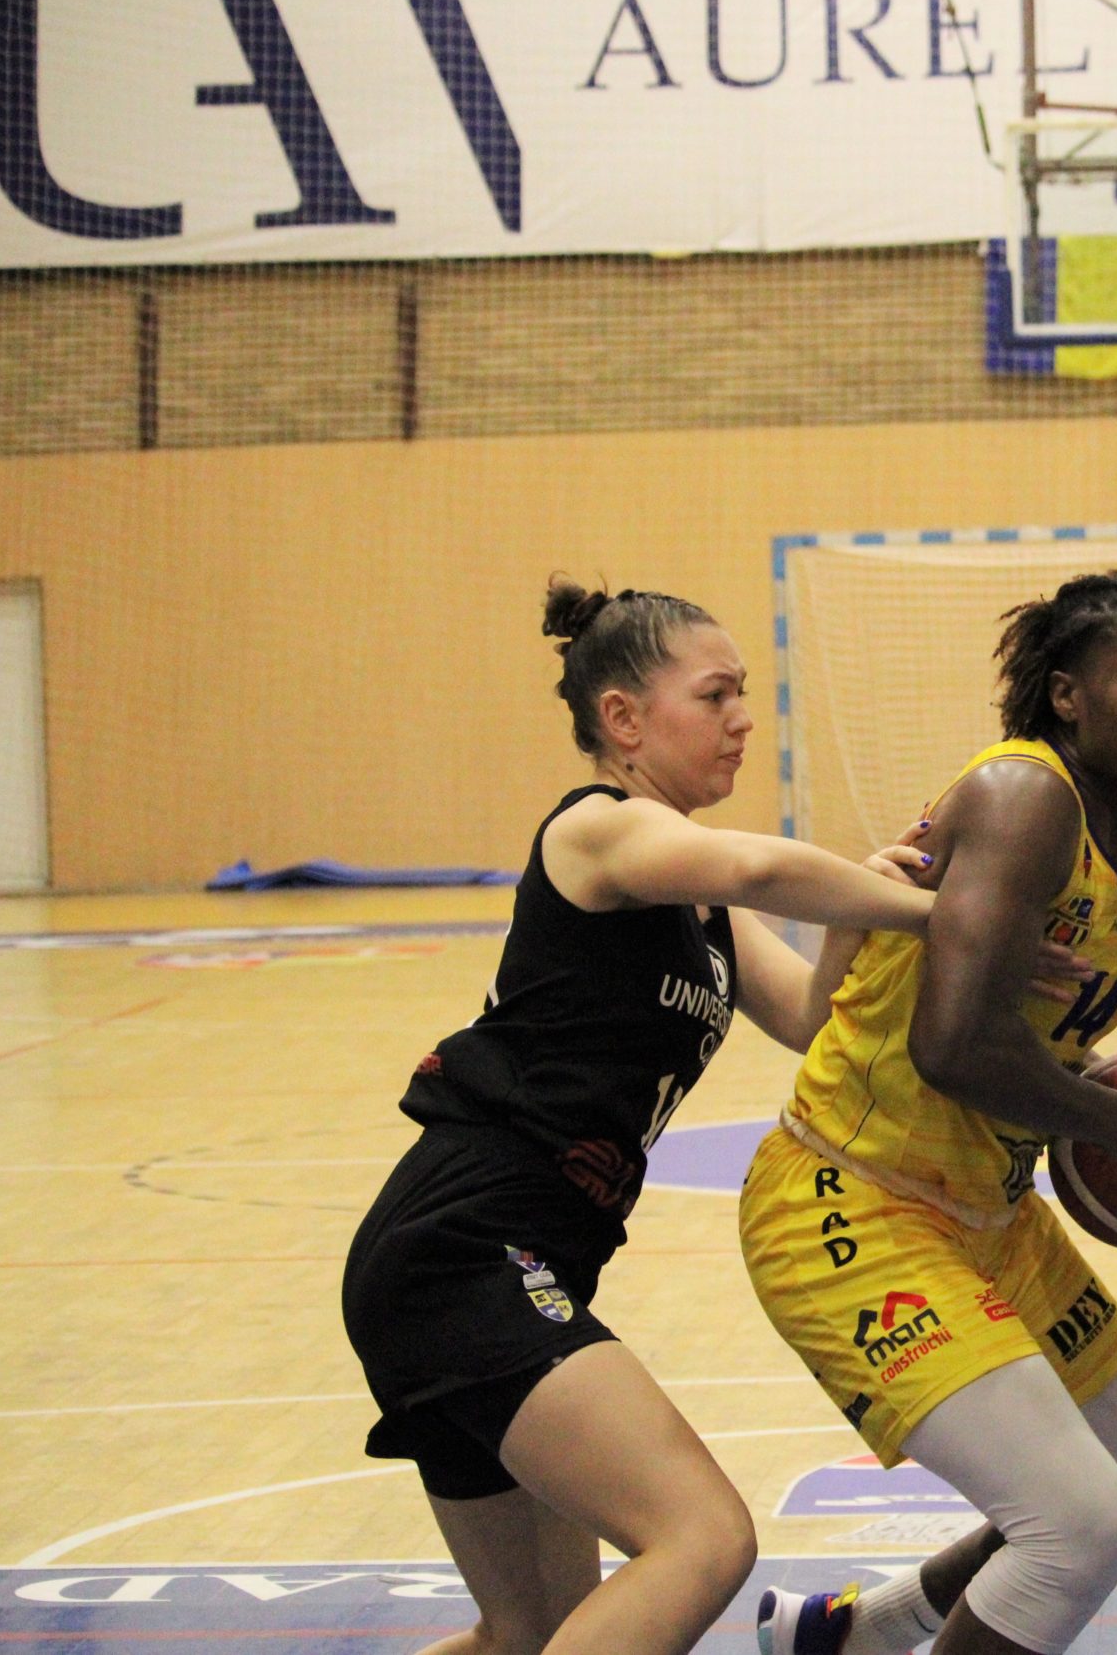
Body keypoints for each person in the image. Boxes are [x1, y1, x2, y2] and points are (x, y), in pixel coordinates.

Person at [342, 580, 946, 1655]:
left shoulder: (703, 908)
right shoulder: (598, 832)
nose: (743, 719)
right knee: (702, 1537)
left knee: (530, 1633)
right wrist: (947, 912)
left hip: (499, 1261)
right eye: (714, 696)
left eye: (744, 693)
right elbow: (764, 863)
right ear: (623, 719)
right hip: (467, 1251)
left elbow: (811, 1019)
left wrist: (866, 914)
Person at [741, 571, 1117, 1655]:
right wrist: (1115, 1122)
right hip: (855, 1201)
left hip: (987, 1210)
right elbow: (954, 1043)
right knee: (1078, 1527)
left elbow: (1020, 1031)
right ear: (1067, 695)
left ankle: (852, 1637)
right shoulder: (1027, 797)